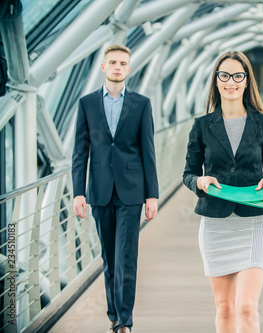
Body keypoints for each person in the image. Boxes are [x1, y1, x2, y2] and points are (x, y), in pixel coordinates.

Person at [183, 50, 263, 332]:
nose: (231, 81)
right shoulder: (202, 126)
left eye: (238, 76)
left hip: (255, 220)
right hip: (216, 223)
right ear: (216, 80)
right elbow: (188, 173)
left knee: (247, 307)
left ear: (247, 81)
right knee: (225, 309)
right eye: (224, 75)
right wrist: (199, 182)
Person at [72, 44, 159, 333]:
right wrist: (78, 192)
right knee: (109, 258)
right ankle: (113, 311)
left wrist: (152, 195)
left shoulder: (141, 104)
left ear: (129, 69)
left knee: (125, 256)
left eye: (123, 63)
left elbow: (148, 151)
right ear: (104, 67)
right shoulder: (87, 104)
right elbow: (80, 153)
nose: (118, 67)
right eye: (113, 62)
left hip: (132, 193)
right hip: (98, 191)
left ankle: (125, 320)